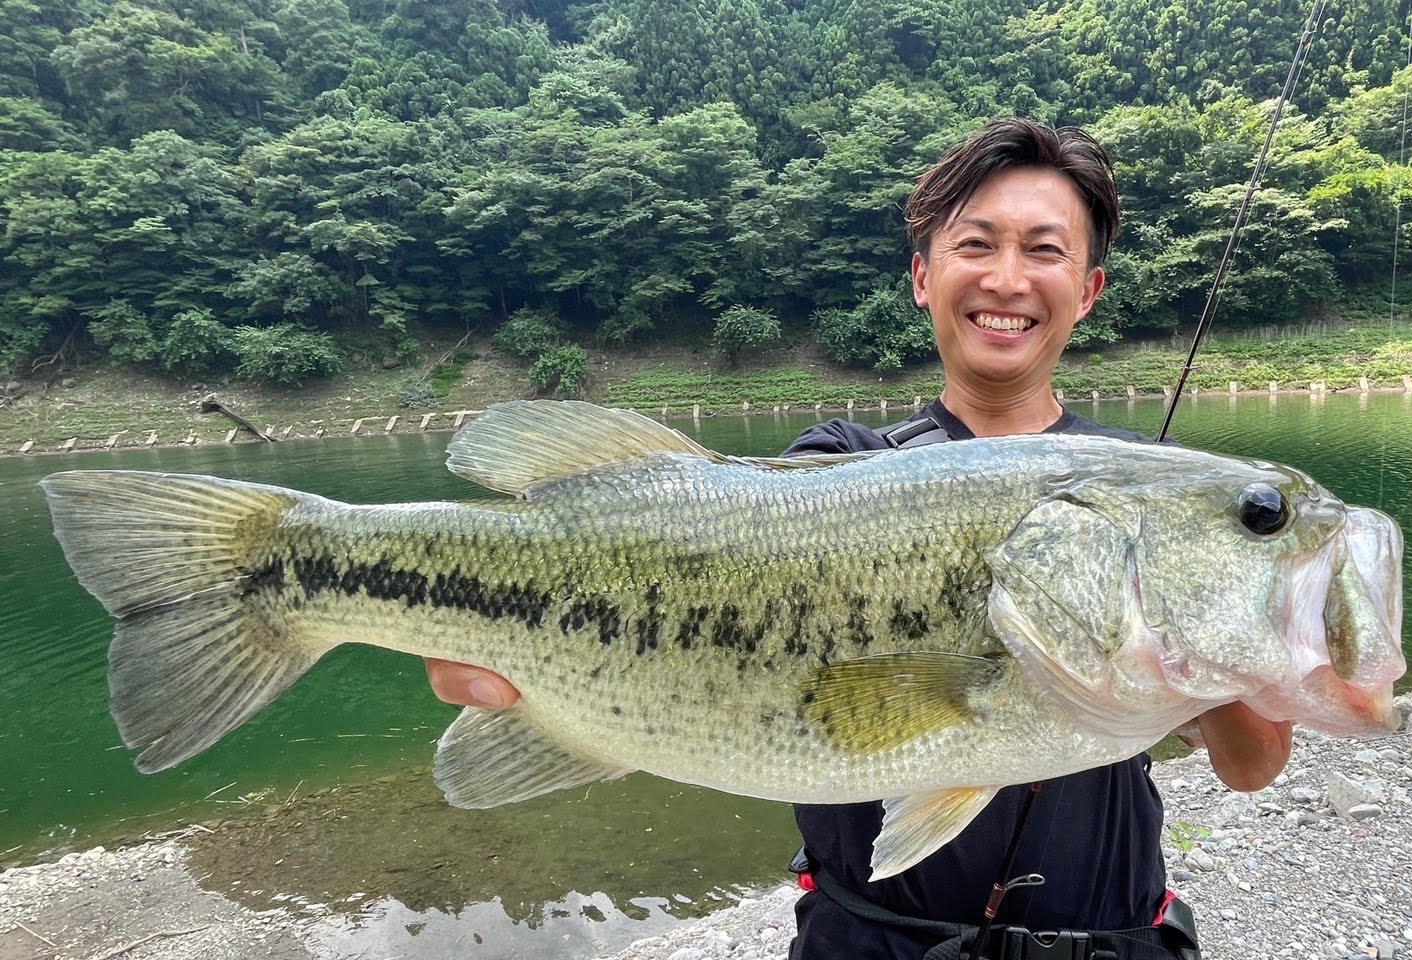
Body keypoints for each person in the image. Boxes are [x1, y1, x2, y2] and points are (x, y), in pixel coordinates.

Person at [424, 118, 1293, 960]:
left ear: (1087, 288)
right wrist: (515, 647)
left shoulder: (1154, 489)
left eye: (1043, 248)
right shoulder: (839, 469)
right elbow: (715, 543)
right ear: (923, 276)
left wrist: (1226, 647)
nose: (1006, 277)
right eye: (976, 243)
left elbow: (1251, 766)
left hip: (1113, 939)